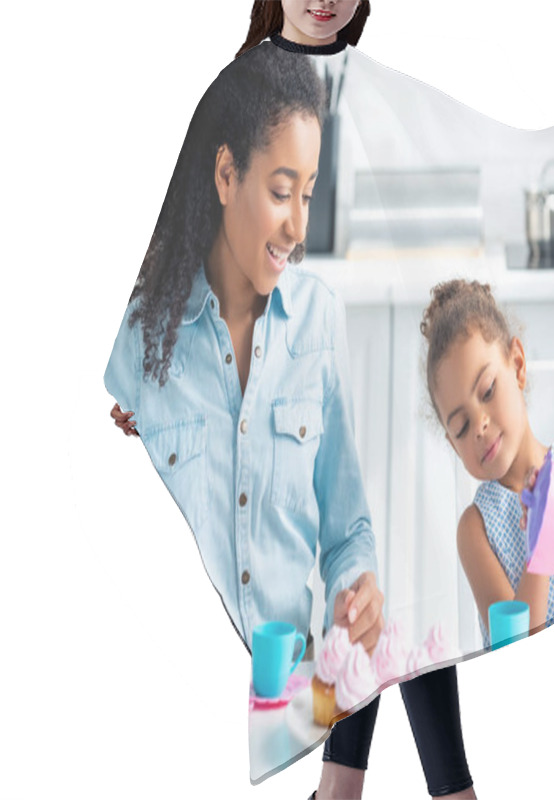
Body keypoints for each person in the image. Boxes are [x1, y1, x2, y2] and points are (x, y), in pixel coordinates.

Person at [110, 4, 476, 799]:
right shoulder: (242, 87)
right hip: (286, 372)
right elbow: (184, 230)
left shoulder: (375, 89)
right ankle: (402, 789)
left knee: (393, 570)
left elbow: (463, 148)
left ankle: (355, 787)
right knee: (346, 577)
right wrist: (153, 371)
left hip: (373, 353)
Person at [420, 280, 554, 644]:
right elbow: (516, 646)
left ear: (517, 365)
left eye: (487, 392)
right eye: (461, 426)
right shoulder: (476, 529)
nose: (480, 426)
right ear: (454, 446)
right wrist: (544, 542)